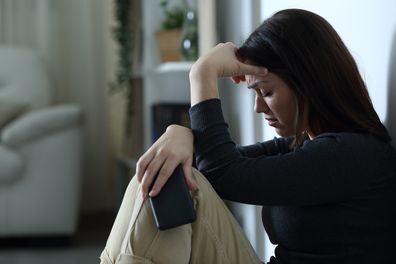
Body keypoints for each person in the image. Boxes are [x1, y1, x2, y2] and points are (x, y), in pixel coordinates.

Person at [100, 9, 396, 264]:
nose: (258, 107)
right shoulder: (304, 147)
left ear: (309, 81)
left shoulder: (352, 155)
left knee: (162, 180)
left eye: (266, 91)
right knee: (160, 173)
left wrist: (202, 74)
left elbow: (222, 172)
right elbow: (206, 166)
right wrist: (179, 133)